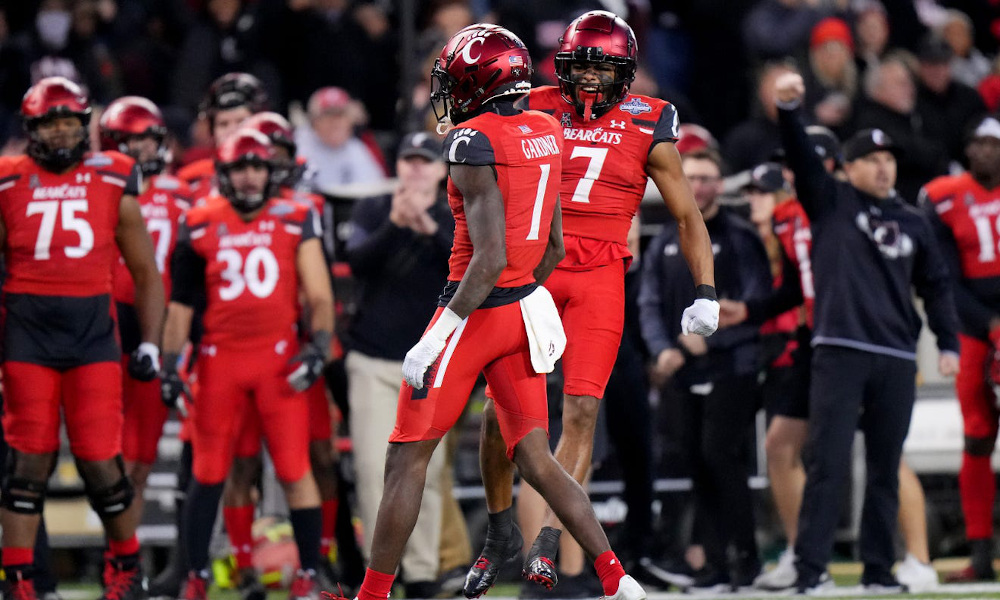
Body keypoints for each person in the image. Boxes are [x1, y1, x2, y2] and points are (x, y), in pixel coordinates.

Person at [341, 23, 647, 600]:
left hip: (476, 314)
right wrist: (525, 294)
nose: (447, 91)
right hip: (522, 309)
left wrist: (438, 337)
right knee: (537, 457)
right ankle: (617, 576)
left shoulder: (470, 141)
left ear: (478, 79)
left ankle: (372, 594)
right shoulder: (547, 128)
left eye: (454, 79)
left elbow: (486, 261)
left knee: (406, 458)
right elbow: (552, 246)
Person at [465, 11, 717, 598]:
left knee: (581, 413)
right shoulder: (532, 102)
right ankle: (501, 530)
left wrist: (705, 288)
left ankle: (551, 541)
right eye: (582, 65)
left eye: (605, 68)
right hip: (535, 264)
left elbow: (686, 213)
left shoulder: (649, 119)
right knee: (501, 414)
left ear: (626, 72)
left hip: (601, 271)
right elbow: (465, 135)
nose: (592, 80)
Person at [774, 71, 960, 594]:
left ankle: (879, 571)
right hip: (840, 349)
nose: (884, 167)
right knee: (828, 464)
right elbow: (804, 161)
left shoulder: (915, 222)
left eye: (889, 159)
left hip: (896, 355)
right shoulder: (830, 202)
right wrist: (790, 111)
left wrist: (947, 343)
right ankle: (812, 572)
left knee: (884, 471)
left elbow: (937, 285)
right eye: (872, 160)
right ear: (848, 168)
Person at [723, 148, 940, 593]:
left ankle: (917, 557)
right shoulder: (791, 219)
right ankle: (803, 552)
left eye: (794, 166)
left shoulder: (826, 211)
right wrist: (752, 312)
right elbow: (798, 286)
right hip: (819, 344)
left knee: (882, 456)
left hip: (850, 343)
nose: (786, 175)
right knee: (787, 446)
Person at [0, 76, 165, 600]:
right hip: (27, 335)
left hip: (92, 334)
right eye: (52, 122)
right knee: (28, 461)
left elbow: (145, 273)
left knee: (101, 460)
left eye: (71, 121)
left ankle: (125, 567)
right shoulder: (7, 180)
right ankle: (19, 580)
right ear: (32, 129)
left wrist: (150, 344)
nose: (63, 131)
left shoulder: (113, 176)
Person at [161, 129, 333, 600]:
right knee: (210, 471)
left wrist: (317, 346)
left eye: (258, 166)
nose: (251, 175)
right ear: (225, 173)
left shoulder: (297, 216)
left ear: (270, 170)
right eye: (241, 167)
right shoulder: (199, 221)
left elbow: (319, 294)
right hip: (220, 360)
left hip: (278, 360)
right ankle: (195, 576)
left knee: (295, 469)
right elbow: (180, 307)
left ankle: (307, 575)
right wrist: (170, 364)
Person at [639, 149, 771, 593]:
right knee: (698, 463)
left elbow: (755, 305)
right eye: (692, 176)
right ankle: (714, 565)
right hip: (682, 371)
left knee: (722, 460)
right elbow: (650, 301)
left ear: (721, 184)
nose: (700, 185)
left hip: (732, 367)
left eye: (710, 177)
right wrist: (662, 349)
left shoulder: (739, 237)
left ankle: (745, 560)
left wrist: (706, 340)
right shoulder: (665, 238)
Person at [231, 109, 343, 592]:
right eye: (257, 157)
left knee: (318, 456)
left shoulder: (308, 206)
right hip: (245, 347)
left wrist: (319, 343)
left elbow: (324, 284)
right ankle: (241, 564)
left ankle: (320, 557)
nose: (265, 167)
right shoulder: (225, 206)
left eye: (274, 155)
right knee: (242, 460)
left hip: (301, 346)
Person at [343, 131, 454, 598]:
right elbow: (354, 262)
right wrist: (393, 224)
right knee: (373, 472)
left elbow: (466, 267)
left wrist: (427, 228)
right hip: (372, 358)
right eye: (408, 160)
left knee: (423, 472)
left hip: (431, 363)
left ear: (442, 170)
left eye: (424, 161)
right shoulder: (372, 208)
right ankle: (383, 576)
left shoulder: (454, 214)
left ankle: (424, 574)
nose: (415, 169)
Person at [99, 95, 191, 524]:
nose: (144, 151)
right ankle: (116, 553)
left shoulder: (180, 194)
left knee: (141, 457)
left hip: (159, 323)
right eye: (133, 143)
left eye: (150, 141)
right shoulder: (97, 188)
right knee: (105, 455)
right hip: (106, 321)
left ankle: (125, 560)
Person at [921, 116, 1000, 583]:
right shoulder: (945, 197)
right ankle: (981, 554)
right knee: (975, 434)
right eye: (979, 144)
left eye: (994, 144)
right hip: (974, 324)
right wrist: (990, 325)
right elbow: (946, 276)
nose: (986, 152)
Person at [176, 72, 268, 197]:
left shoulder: (280, 174)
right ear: (212, 131)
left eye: (242, 121)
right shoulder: (190, 178)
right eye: (223, 124)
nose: (233, 131)